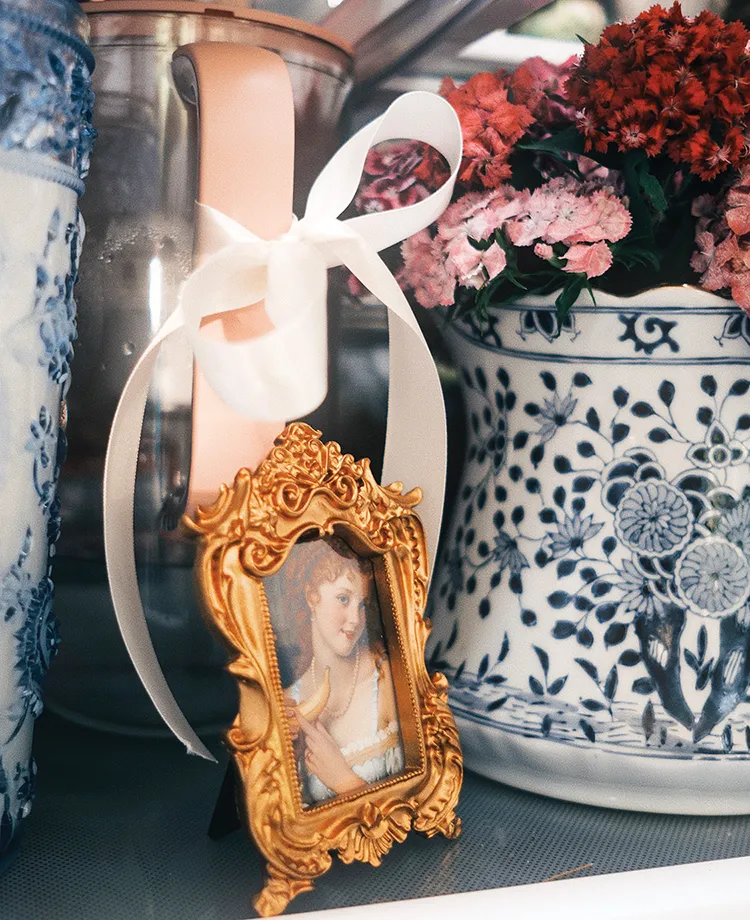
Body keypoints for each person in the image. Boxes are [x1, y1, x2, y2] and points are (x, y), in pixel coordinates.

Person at [280, 535, 405, 805]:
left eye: (362, 604)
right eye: (343, 599)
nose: (355, 620)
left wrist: (343, 780)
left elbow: (409, 798)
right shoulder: (288, 702)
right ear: (312, 597)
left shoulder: (386, 680)